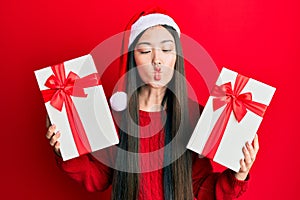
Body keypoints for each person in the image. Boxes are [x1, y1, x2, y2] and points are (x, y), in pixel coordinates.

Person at [45, 7, 259, 200]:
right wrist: (65, 150)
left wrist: (238, 174)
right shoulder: (115, 116)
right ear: (132, 58)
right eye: (146, 51)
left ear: (177, 57)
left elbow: (202, 187)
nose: (157, 60)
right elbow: (99, 177)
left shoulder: (194, 116)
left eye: (167, 50)